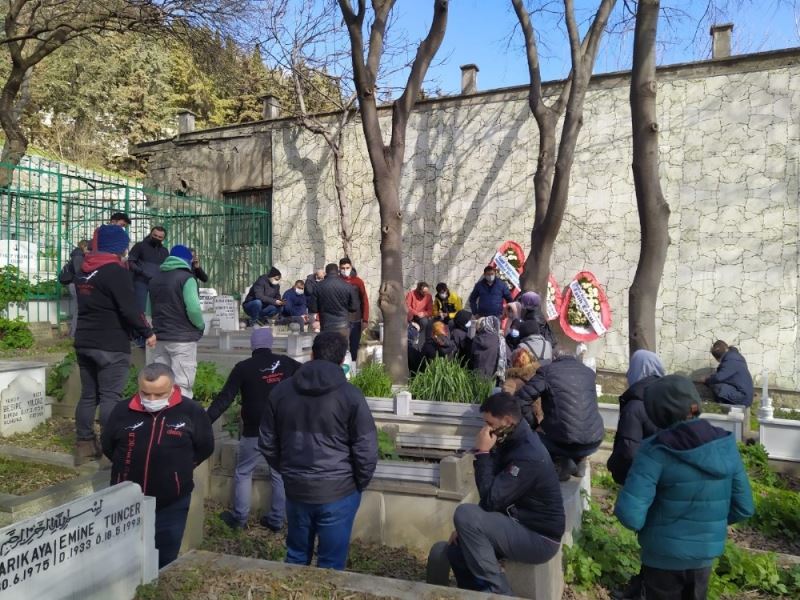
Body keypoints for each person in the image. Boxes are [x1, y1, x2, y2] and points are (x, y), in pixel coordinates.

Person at [614, 375, 754, 600]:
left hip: (661, 558)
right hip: (704, 557)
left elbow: (630, 515)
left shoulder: (654, 451)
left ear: (657, 413)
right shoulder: (725, 445)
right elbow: (744, 507)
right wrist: (706, 526)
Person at [259, 331, 377, 570]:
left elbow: (267, 441)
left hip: (297, 486)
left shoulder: (281, 392)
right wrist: (357, 483)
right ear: (343, 360)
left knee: (295, 557)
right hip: (339, 489)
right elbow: (366, 449)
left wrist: (287, 471)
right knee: (331, 564)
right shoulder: (351, 396)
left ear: (312, 354)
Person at [446, 393, 564, 595]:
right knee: (457, 551)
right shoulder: (510, 439)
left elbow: (491, 498)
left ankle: (500, 593)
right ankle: (474, 593)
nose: (485, 429)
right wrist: (467, 530)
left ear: (507, 421)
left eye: (489, 423)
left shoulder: (529, 455)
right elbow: (498, 495)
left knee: (465, 514)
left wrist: (482, 454)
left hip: (539, 538)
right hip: (517, 523)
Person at [102, 363, 214, 569]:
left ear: (172, 388)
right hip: (126, 500)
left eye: (159, 394)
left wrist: (179, 472)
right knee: (126, 558)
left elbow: (205, 447)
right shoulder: (122, 410)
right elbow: (108, 446)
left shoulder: (191, 412)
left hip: (171, 501)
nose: (151, 400)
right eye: (146, 394)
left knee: (165, 558)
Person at [73, 225, 155, 463]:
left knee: (89, 396)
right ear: (118, 246)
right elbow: (129, 308)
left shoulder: (84, 271)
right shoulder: (115, 271)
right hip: (111, 343)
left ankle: (84, 444)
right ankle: (112, 449)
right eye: (125, 245)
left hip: (84, 341)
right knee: (110, 397)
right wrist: (147, 332)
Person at [207, 328, 301, 531]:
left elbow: (225, 398)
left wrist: (206, 420)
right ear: (270, 343)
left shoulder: (243, 368)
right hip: (279, 430)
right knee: (278, 474)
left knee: (243, 471)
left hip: (253, 430)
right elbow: (307, 376)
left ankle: (239, 518)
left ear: (252, 345)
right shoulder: (286, 363)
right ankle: (277, 520)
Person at [514, 351, 604, 481]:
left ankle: (561, 462)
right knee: (574, 424)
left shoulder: (547, 371)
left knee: (532, 436)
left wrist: (535, 424)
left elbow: (521, 400)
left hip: (562, 441)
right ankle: (579, 460)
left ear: (554, 359)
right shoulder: (588, 372)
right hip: (594, 440)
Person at [148, 245, 205, 398]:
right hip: (182, 339)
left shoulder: (155, 278)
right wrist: (200, 325)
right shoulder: (187, 278)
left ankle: (161, 415)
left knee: (160, 382)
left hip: (160, 336)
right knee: (182, 384)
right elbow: (193, 309)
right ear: (187, 260)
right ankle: (180, 418)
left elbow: (148, 310)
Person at [607, 349, 665, 486]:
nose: (628, 373)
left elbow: (628, 451)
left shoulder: (634, 407)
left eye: (632, 367)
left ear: (639, 370)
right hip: (663, 476)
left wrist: (613, 465)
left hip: (639, 480)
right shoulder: (667, 398)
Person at [128, 226, 168, 314]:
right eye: (155, 235)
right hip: (141, 281)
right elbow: (131, 261)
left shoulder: (164, 251)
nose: (157, 238)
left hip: (157, 283)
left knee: (158, 309)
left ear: (163, 238)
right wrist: (141, 272)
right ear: (150, 234)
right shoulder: (140, 246)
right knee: (140, 309)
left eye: (160, 237)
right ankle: (139, 327)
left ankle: (156, 327)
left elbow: (166, 266)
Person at [311, 263, 358, 336]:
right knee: (342, 347)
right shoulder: (348, 286)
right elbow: (354, 307)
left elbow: (313, 308)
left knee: (327, 346)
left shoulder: (318, 287)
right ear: (338, 271)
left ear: (326, 272)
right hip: (343, 325)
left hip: (326, 325)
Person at [705, 340, 754, 407]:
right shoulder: (734, 356)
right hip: (743, 394)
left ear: (717, 359)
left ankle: (722, 409)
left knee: (717, 387)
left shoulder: (731, 360)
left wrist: (706, 380)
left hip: (743, 397)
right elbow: (724, 376)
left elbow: (719, 377)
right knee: (717, 384)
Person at [340, 257, 369, 362]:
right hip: (342, 319)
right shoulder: (338, 281)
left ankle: (353, 371)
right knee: (342, 347)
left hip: (356, 320)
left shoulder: (358, 282)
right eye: (342, 268)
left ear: (351, 267)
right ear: (339, 268)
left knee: (354, 347)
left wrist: (365, 320)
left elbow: (364, 300)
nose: (345, 270)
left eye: (347, 267)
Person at [502, 348, 542, 423]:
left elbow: (506, 408)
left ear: (514, 362)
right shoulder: (541, 377)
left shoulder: (510, 383)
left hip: (522, 425)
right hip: (540, 423)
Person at [62, 239, 89, 338]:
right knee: (78, 309)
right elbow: (79, 273)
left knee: (79, 309)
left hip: (74, 284)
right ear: (84, 246)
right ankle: (73, 334)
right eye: (88, 248)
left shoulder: (77, 255)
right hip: (75, 284)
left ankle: (75, 333)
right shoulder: (78, 256)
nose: (89, 250)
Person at [470, 316, 509, 382]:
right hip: (494, 379)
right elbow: (508, 358)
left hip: (477, 378)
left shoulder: (476, 340)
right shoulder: (500, 341)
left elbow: (471, 358)